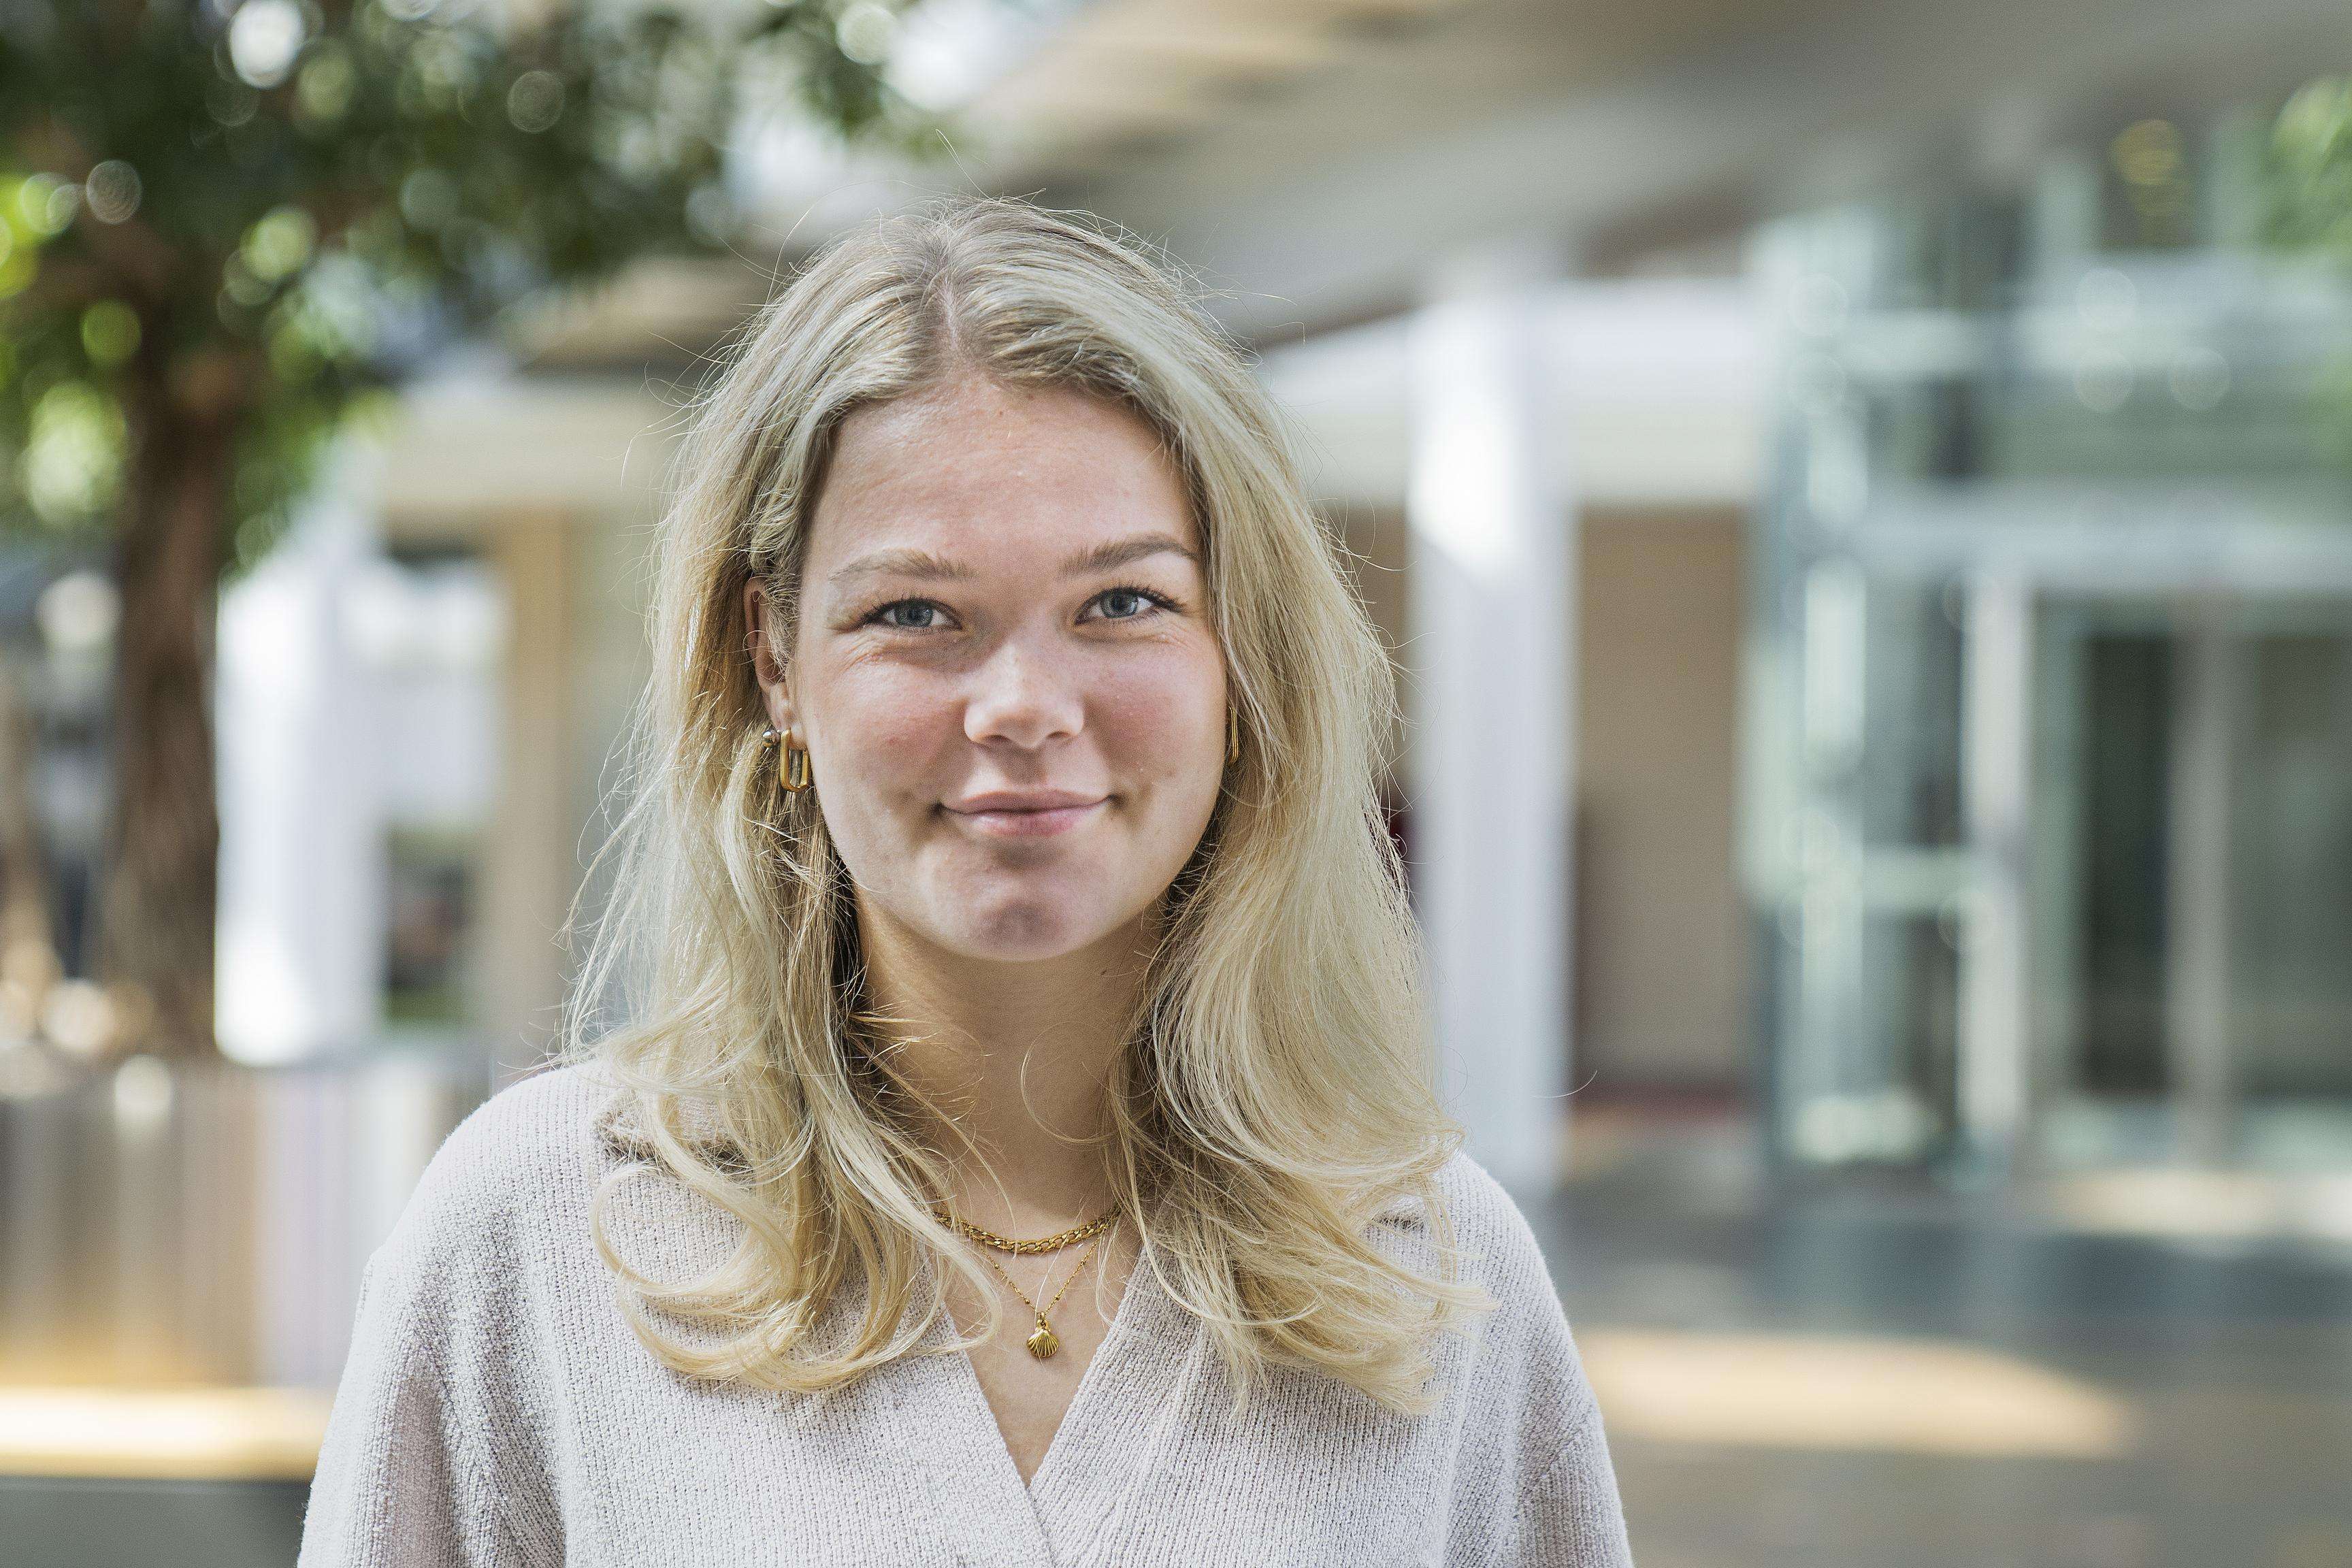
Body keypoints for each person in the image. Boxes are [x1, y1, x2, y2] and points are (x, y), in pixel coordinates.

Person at [298, 197, 1634, 1567]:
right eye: (914, 614)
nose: (1022, 705)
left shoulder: (1429, 1265)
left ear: (1237, 650)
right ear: (774, 660)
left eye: (1123, 602)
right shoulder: (536, 1234)